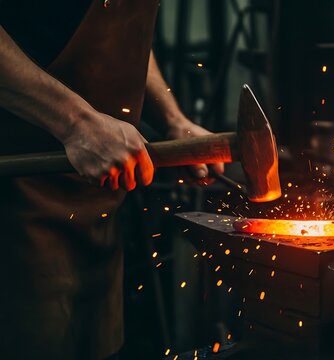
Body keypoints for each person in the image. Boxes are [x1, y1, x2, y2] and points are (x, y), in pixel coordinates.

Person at [0, 1, 222, 359]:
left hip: (98, 210)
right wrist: (77, 122)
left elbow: (125, 27)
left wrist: (173, 120)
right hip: (15, 191)